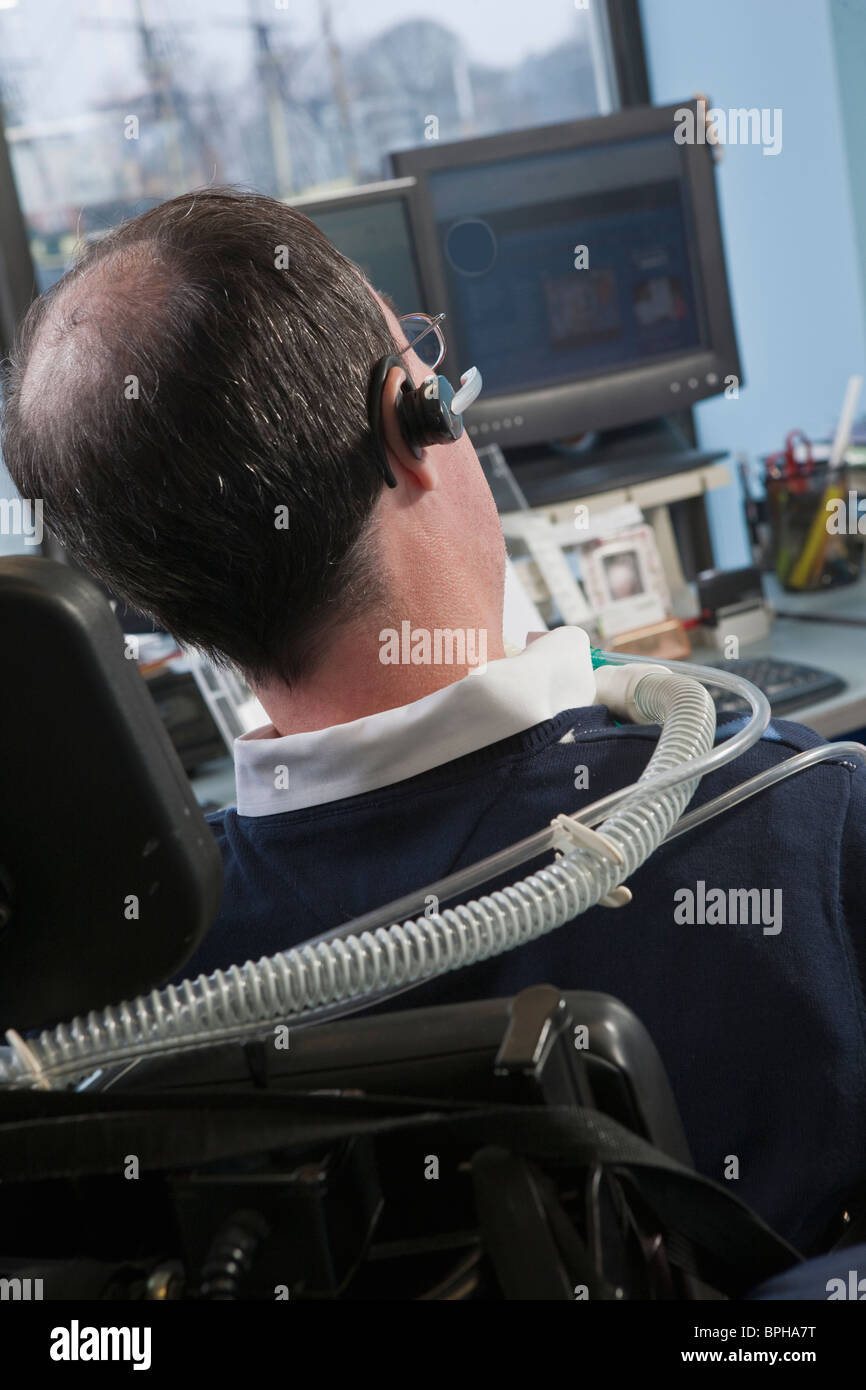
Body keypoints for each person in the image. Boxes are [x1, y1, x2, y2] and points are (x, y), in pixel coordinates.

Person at [3, 189, 866, 1257]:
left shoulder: (107, 997)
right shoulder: (797, 815)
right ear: (410, 429)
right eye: (416, 354)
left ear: (140, 593)